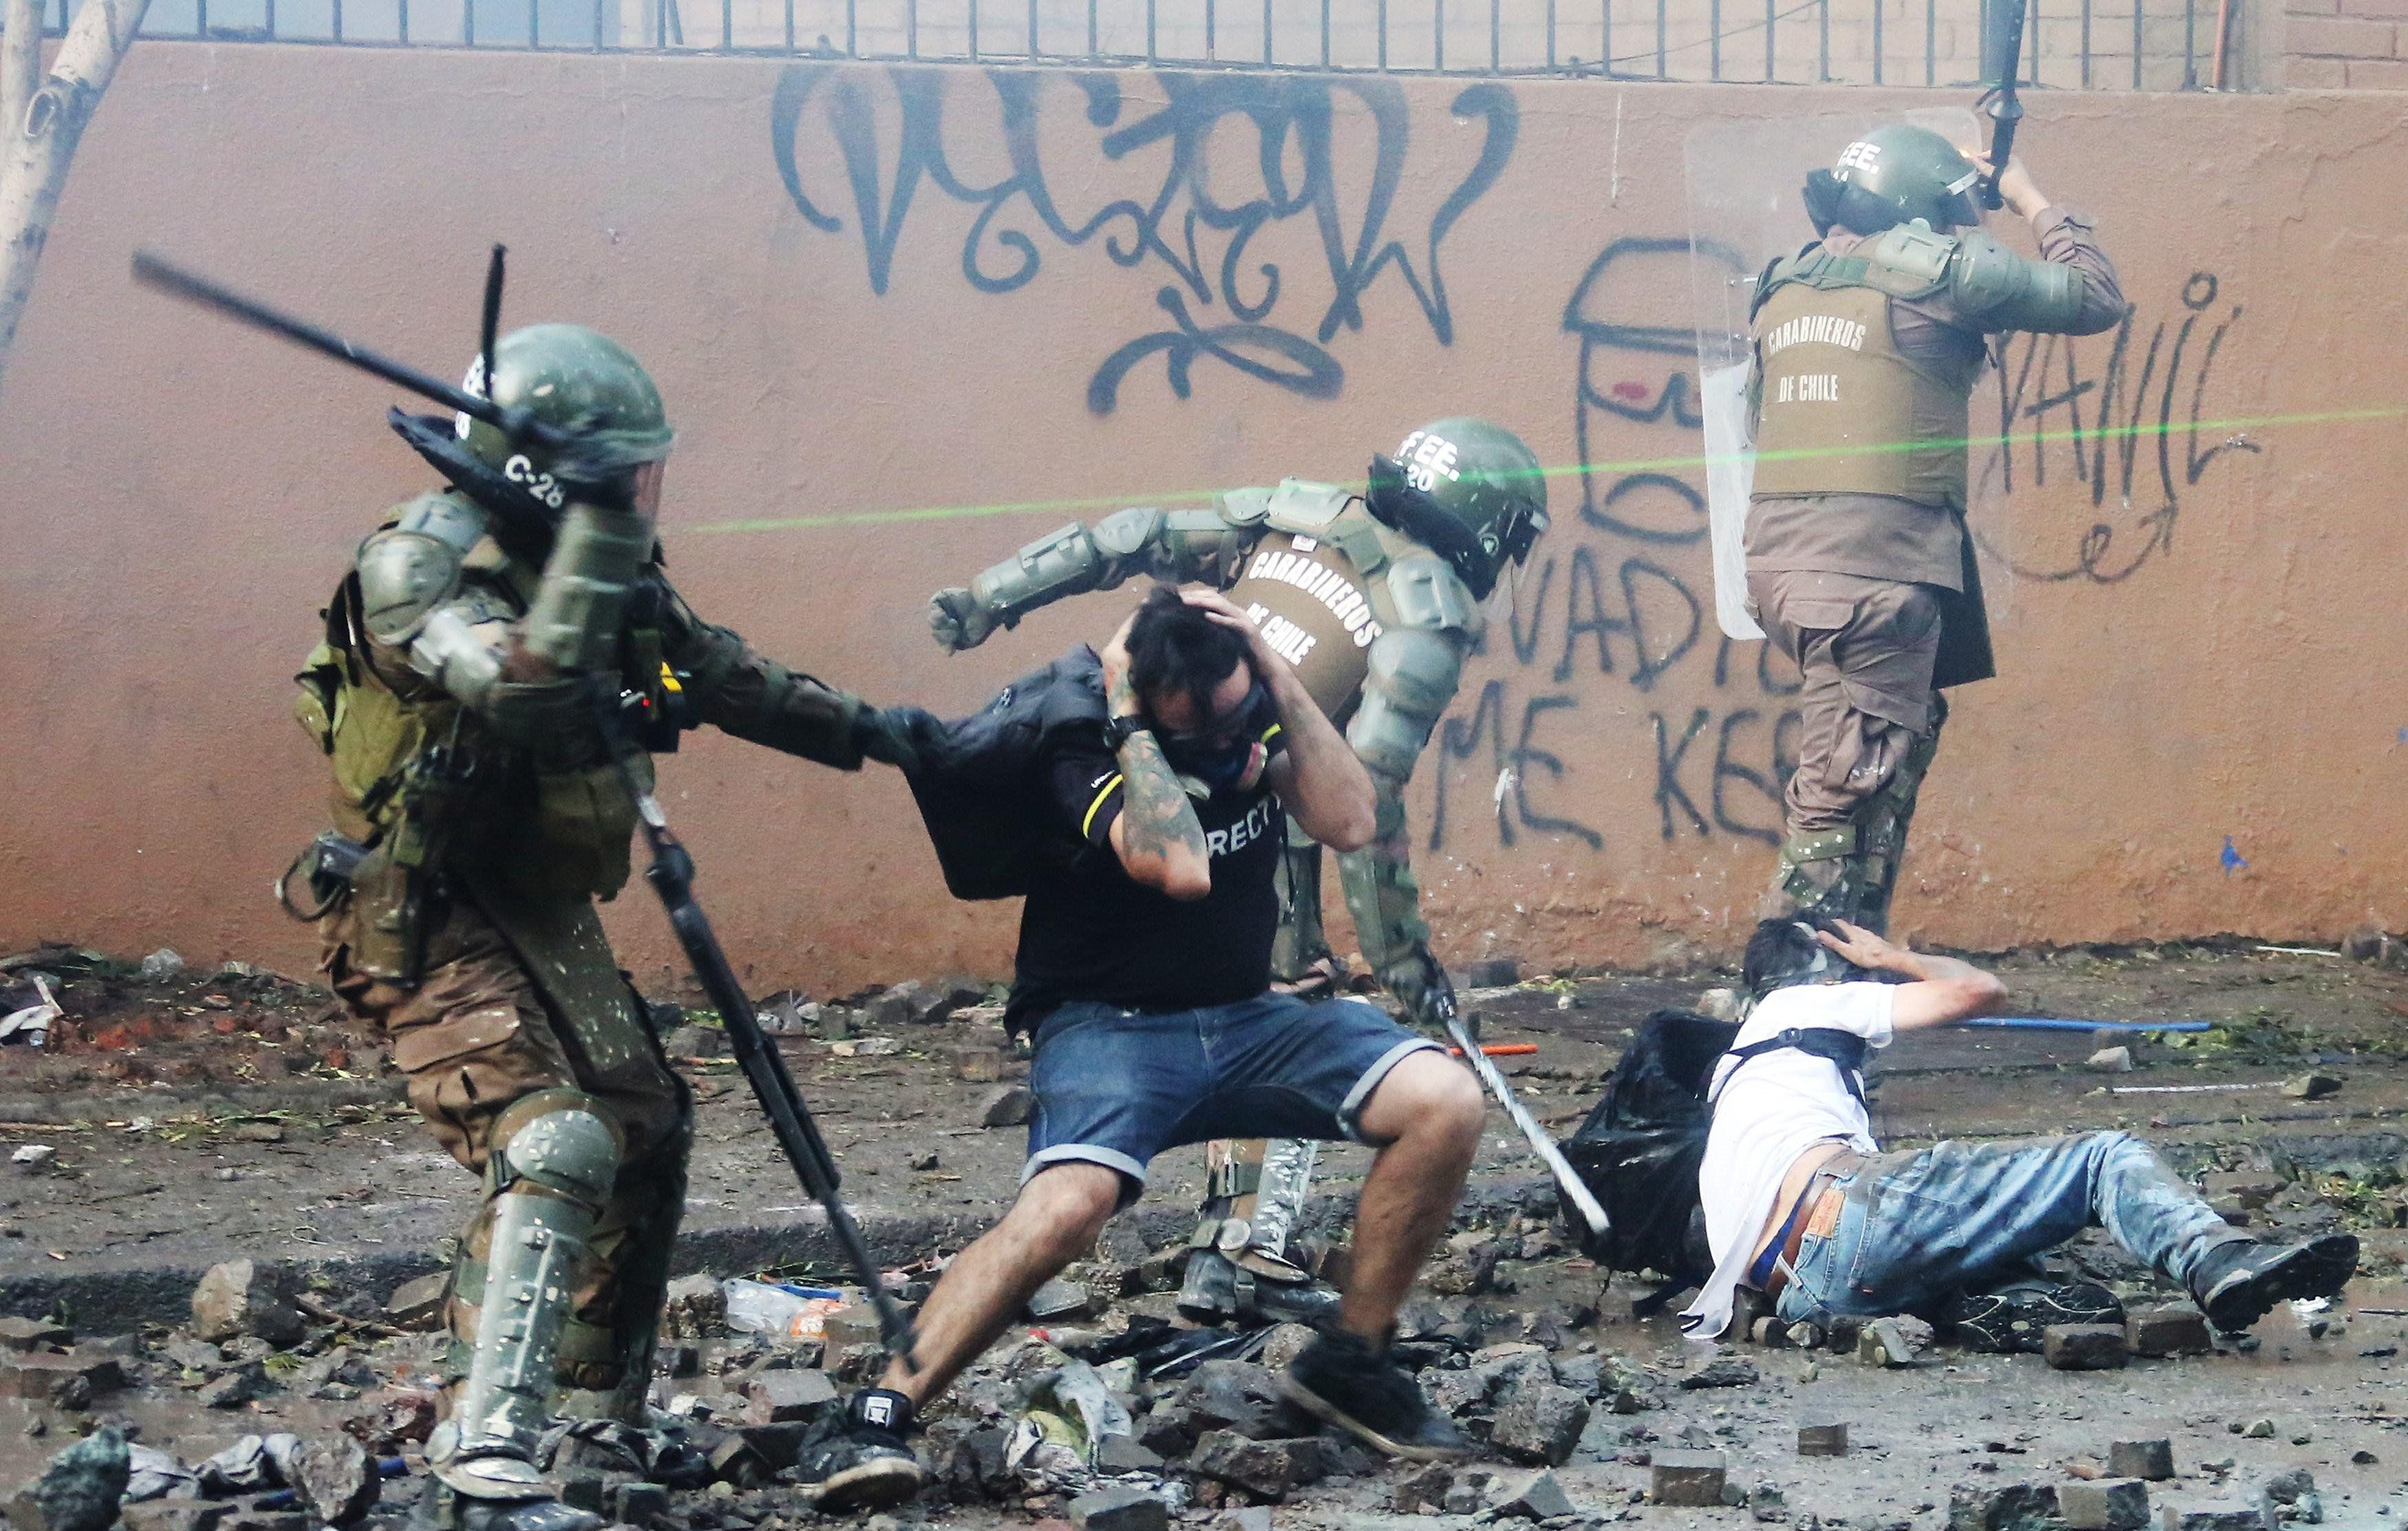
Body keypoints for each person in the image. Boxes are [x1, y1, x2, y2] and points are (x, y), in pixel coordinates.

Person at [286, 323, 916, 1531]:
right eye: (624, 474)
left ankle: (588, 1421)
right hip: (417, 908)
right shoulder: (420, 567)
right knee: (557, 1139)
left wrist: (908, 742)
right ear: (551, 476)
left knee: (645, 1126)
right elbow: (516, 688)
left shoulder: (593, 566)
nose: (643, 495)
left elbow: (718, 674)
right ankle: (486, 1463)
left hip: (537, 906)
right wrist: (599, 548)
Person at [793, 585, 1492, 1512]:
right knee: (1067, 1207)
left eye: (1238, 713)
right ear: (1142, 700)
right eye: (1199, 728)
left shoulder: (1251, 706)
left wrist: (1278, 678)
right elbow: (1181, 867)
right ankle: (879, 1410)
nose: (1227, 741)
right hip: (1108, 1027)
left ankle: (1351, 1362)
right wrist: (1128, 721)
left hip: (1247, 1018)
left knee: (1446, 1100)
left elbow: (1352, 820)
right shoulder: (1079, 735)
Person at [925, 420, 1548, 1323]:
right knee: (1287, 998)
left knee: (1187, 997)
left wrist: (990, 597)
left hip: (1124, 768)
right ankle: (1239, 1252)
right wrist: (1406, 966)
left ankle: (1171, 1231)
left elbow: (1128, 537)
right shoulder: (1424, 616)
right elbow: (1365, 804)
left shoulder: (1302, 519)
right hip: (1242, 795)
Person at [1745, 125, 2130, 931]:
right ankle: (1781, 980)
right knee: (1838, 793)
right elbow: (2094, 295)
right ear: (1918, 208)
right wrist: (2021, 192)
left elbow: (1759, 424)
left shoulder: (1787, 280)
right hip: (1870, 577)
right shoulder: (1932, 273)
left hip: (1785, 569)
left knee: (1889, 749)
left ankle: (1850, 959)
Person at [1680, 918, 2358, 1349]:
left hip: (1806, 1289)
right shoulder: (1810, 998)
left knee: (2008, 1249)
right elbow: (1980, 990)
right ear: (1826, 970)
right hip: (1839, 1218)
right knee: (2102, 1158)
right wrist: (1893, 955)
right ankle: (2218, 1262)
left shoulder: (1735, 1072)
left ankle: (2005, 1305)